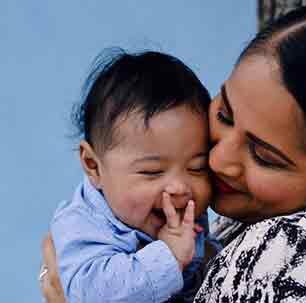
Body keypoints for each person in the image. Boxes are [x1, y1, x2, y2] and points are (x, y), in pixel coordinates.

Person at [40, 2, 306, 302]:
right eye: (224, 114)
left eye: (263, 156)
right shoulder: (249, 211)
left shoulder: (296, 255)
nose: (217, 161)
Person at [48, 49, 218, 303]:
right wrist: (168, 257)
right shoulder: (83, 224)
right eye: (152, 172)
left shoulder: (183, 212)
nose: (180, 187)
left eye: (197, 167)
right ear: (93, 165)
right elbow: (90, 295)